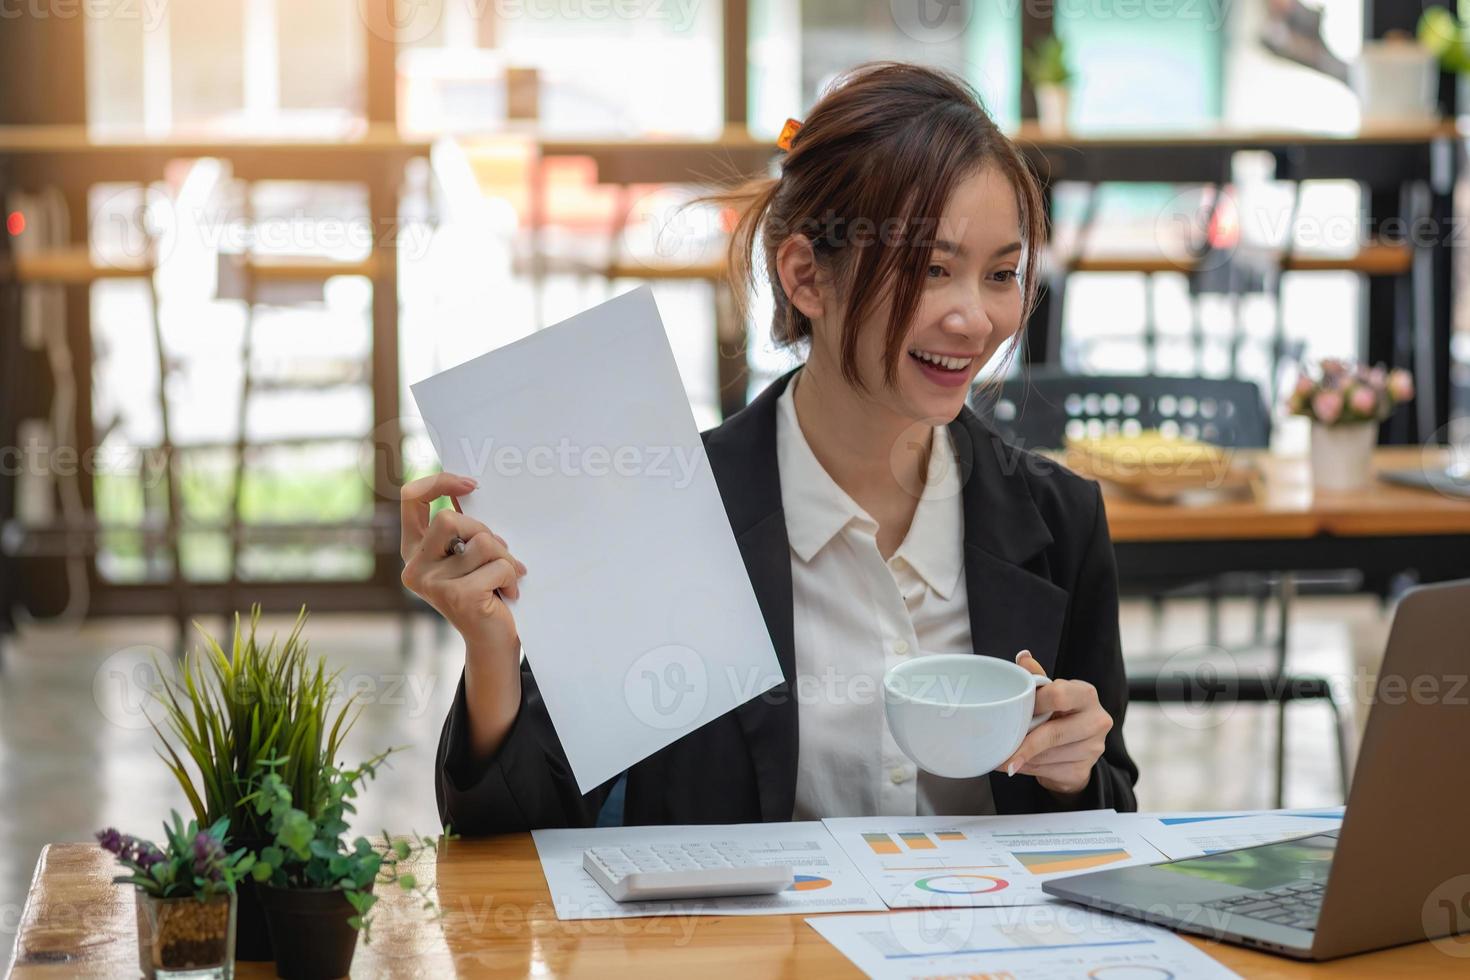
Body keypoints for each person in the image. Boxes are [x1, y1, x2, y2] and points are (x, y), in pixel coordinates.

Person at [401, 62, 1138, 833]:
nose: (976, 320)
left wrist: (1075, 769)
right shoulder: (671, 511)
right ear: (806, 278)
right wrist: (492, 648)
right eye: (932, 269)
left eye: (1002, 274)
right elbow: (511, 833)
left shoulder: (1062, 522)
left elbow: (1112, 806)